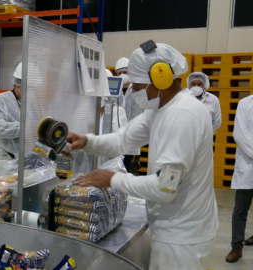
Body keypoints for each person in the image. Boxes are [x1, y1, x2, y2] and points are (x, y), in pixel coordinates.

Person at [67, 41, 218, 270]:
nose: (134, 93)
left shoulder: (182, 115)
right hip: (174, 226)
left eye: (137, 87)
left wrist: (112, 179)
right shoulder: (162, 108)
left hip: (182, 237)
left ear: (161, 79)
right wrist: (87, 141)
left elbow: (164, 187)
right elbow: (123, 139)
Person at [225, 93, 253, 263]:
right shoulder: (245, 103)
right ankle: (236, 246)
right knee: (240, 210)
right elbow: (240, 133)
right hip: (248, 164)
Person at [0, 62, 22, 160]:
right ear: (18, 84)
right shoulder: (2, 100)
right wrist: (23, 128)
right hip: (8, 157)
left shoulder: (33, 101)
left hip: (29, 158)